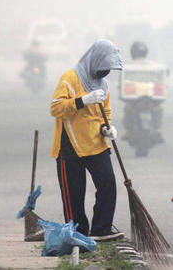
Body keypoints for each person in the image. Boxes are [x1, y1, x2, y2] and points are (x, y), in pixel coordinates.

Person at [49, 39, 124, 241]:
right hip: (69, 147)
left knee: (108, 184)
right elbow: (55, 108)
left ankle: (101, 229)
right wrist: (83, 101)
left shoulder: (103, 84)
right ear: (95, 60)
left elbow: (104, 112)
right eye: (104, 67)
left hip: (96, 143)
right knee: (74, 195)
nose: (105, 72)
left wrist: (107, 128)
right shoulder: (70, 78)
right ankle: (78, 235)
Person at [122, 41, 165, 143]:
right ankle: (157, 130)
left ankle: (128, 131)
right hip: (151, 97)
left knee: (128, 109)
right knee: (158, 109)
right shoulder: (154, 65)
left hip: (134, 98)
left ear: (132, 52)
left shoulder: (127, 65)